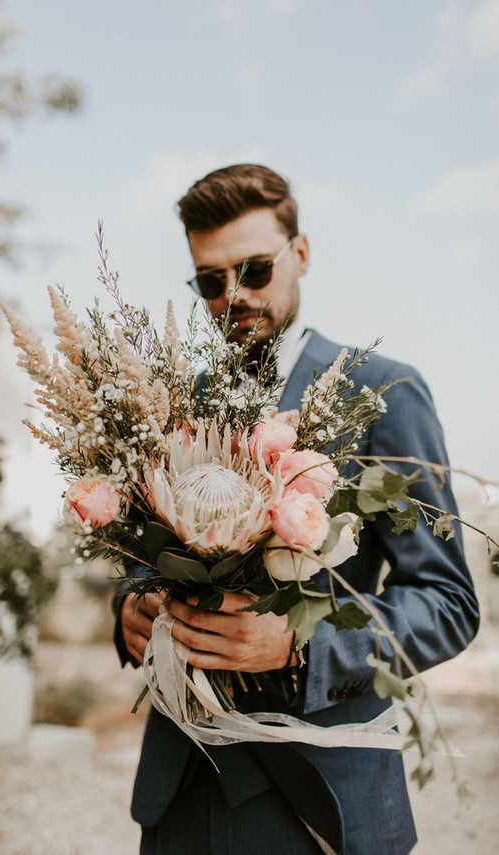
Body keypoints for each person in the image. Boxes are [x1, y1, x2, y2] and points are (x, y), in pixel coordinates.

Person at [113, 164, 480, 855]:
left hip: (318, 795)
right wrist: (131, 607)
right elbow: (143, 551)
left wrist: (300, 646)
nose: (234, 296)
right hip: (180, 787)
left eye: (253, 270)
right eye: (210, 281)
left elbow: (448, 601)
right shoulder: (173, 403)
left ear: (300, 254)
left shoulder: (386, 390)